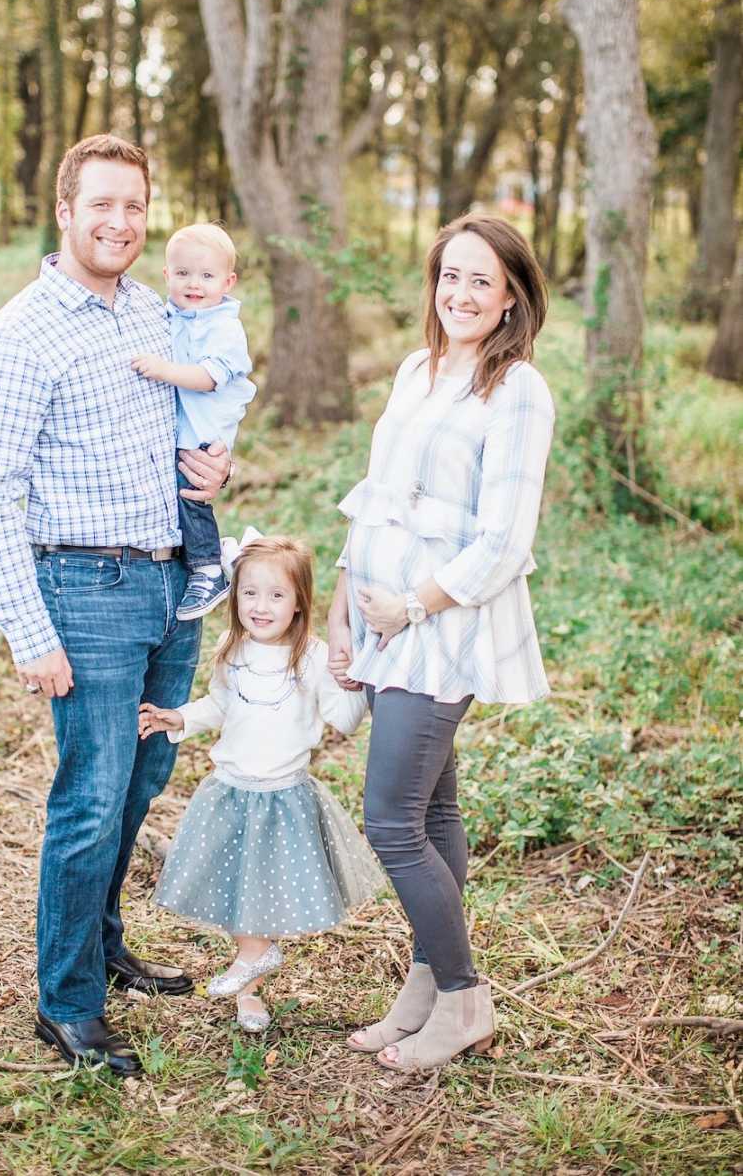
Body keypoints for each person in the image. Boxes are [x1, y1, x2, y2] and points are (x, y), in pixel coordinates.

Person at [0, 134, 230, 1076]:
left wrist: (214, 464)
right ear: (65, 210)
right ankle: (66, 1003)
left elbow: (196, 412)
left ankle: (105, 946)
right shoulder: (16, 337)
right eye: (102, 205)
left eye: (134, 208)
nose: (120, 223)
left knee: (142, 783)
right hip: (84, 593)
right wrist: (29, 634)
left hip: (170, 584)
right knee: (89, 798)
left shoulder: (157, 313)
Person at [327, 214, 554, 1072]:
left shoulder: (518, 390)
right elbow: (377, 496)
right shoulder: (415, 370)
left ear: (509, 301)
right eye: (449, 276)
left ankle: (463, 999)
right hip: (384, 618)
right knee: (433, 810)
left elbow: (503, 540)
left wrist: (410, 609)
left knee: (390, 820)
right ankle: (424, 988)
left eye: (481, 282)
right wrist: (349, 608)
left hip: (443, 627)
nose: (460, 294)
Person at [138, 533, 384, 1033]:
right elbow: (221, 705)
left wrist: (355, 677)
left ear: (298, 604)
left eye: (276, 595)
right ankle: (250, 985)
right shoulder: (232, 651)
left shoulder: (312, 657)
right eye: (249, 593)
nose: (260, 605)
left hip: (282, 798)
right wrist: (177, 718)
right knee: (236, 890)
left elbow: (343, 718)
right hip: (229, 791)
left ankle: (255, 957)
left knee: (262, 895)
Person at [131, 223, 256, 622]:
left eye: (207, 276)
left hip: (204, 431)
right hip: (180, 428)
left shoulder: (224, 327)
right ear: (167, 275)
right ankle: (198, 561)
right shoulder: (170, 314)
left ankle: (207, 568)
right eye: (183, 274)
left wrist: (162, 370)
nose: (194, 284)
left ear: (228, 281)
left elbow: (207, 378)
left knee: (191, 496)